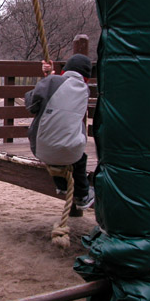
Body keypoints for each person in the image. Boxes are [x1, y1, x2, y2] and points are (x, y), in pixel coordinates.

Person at [24, 54, 95, 209]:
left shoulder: (52, 82)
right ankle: (83, 194)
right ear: (86, 79)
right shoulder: (85, 91)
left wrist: (44, 81)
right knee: (78, 156)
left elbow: (32, 106)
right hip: (72, 152)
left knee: (51, 136)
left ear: (64, 71)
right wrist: (49, 78)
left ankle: (61, 186)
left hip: (41, 148)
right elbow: (63, 91)